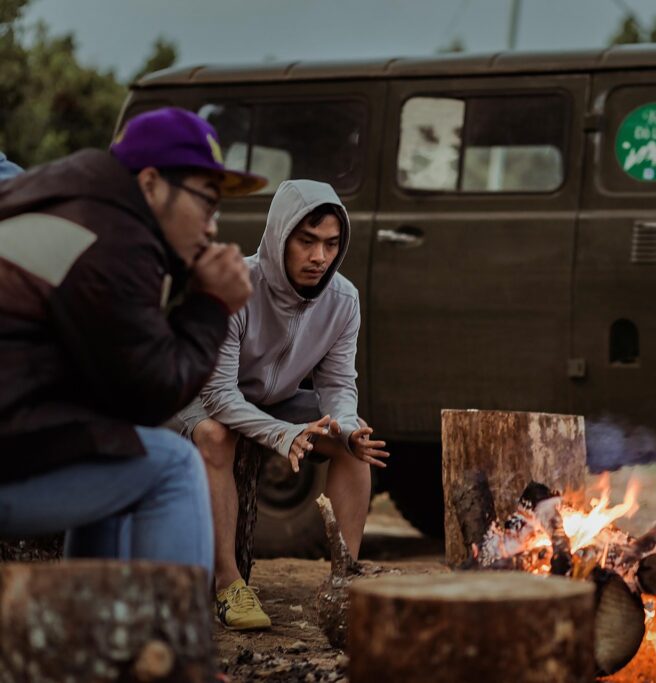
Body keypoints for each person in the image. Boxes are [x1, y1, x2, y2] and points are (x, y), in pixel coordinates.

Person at [0, 107, 265, 576]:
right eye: (206, 202)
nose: (212, 226)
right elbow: (151, 394)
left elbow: (118, 396)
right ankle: (169, 625)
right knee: (174, 467)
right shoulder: (114, 239)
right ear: (150, 184)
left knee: (118, 450)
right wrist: (210, 305)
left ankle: (100, 621)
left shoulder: (68, 198)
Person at [173, 179, 388, 630]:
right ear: (279, 236)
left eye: (331, 244)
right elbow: (219, 395)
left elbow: (337, 385)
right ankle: (229, 585)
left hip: (279, 402)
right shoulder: (235, 286)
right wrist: (283, 434)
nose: (319, 256)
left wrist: (346, 427)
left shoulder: (343, 299)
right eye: (306, 241)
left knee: (354, 444)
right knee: (216, 435)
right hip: (200, 396)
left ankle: (345, 581)